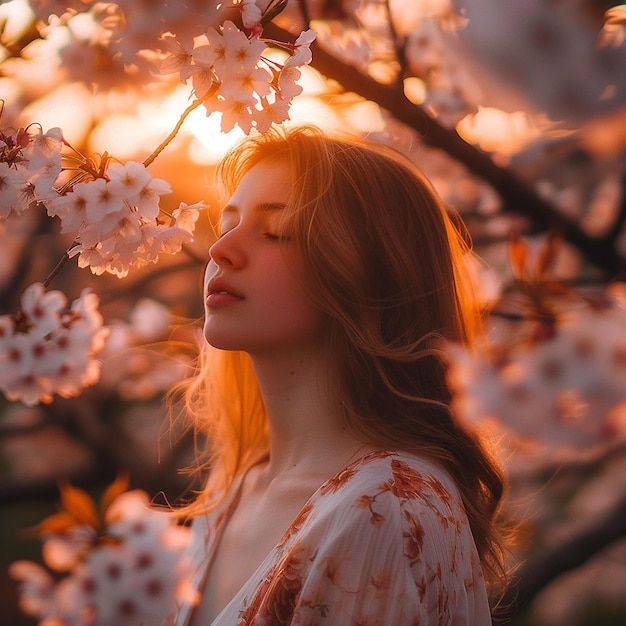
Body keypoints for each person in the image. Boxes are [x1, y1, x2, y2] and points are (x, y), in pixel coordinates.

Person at [167, 125, 510, 625]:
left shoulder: (386, 510)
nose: (221, 251)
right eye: (227, 225)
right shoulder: (232, 487)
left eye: (275, 232)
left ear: (368, 273)